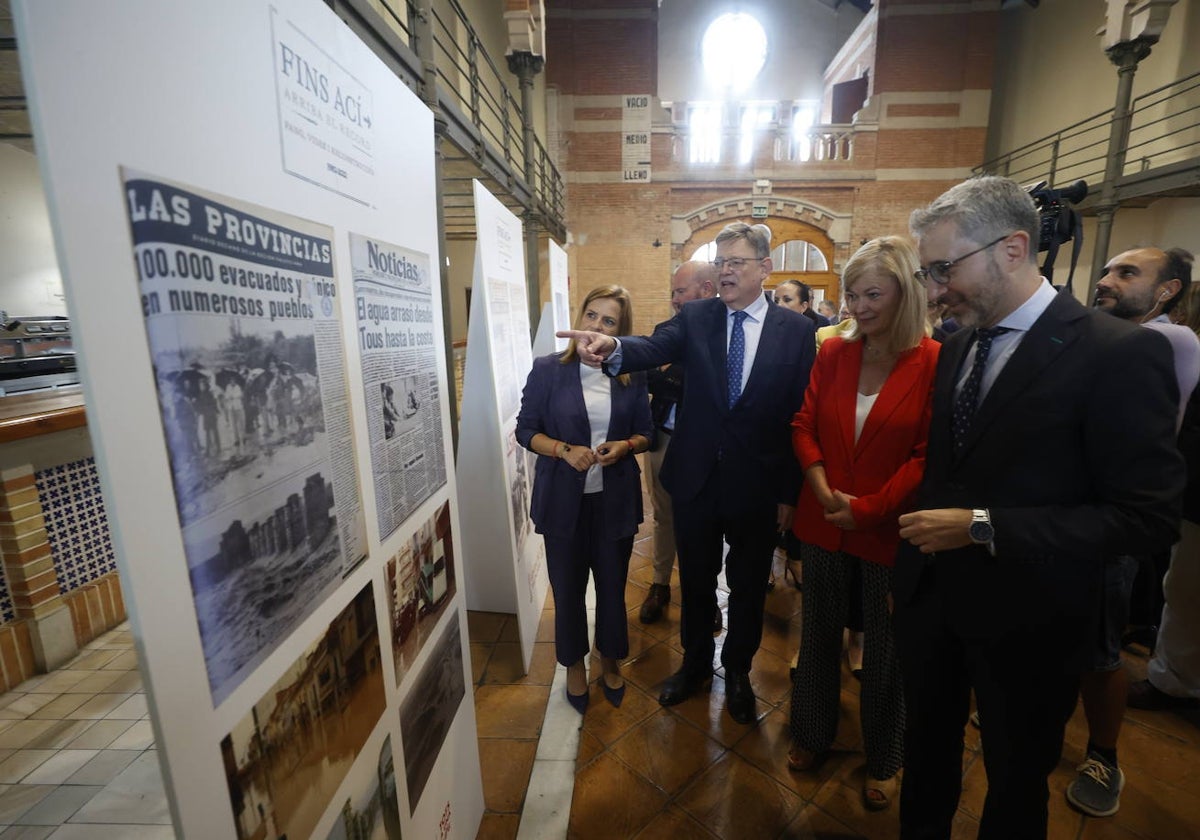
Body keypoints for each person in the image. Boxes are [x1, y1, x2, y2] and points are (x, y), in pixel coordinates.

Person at [894, 175, 1185, 840]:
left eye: (943, 269)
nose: (934, 291)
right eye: (926, 272)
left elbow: (1147, 517)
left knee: (1016, 784)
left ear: (1013, 248)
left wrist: (983, 528)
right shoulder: (960, 346)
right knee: (926, 764)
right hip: (935, 607)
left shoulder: (1118, 352)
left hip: (1034, 622)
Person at [560, 221, 815, 725]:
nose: (724, 271)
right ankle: (695, 665)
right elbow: (653, 347)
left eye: (736, 262)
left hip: (758, 485)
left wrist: (789, 492)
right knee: (696, 581)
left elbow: (797, 414)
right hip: (696, 478)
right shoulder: (698, 316)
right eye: (720, 261)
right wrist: (614, 349)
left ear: (765, 268)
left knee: (745, 587)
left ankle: (738, 672)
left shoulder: (798, 332)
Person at [787, 236, 939, 812]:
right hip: (823, 519)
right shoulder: (834, 353)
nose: (858, 306)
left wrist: (869, 508)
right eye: (852, 294)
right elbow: (803, 424)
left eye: (873, 293)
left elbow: (926, 456)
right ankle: (811, 733)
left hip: (888, 530)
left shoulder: (932, 360)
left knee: (885, 654)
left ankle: (884, 755)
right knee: (819, 637)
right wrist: (822, 486)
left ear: (907, 291)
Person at [1066, 247, 1200, 818]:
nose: (1105, 281)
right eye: (1106, 271)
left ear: (1167, 290)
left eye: (1127, 273)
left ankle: (1103, 754)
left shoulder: (1169, 340)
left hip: (1109, 516)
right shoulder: (1102, 334)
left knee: (1100, 650)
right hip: (1066, 510)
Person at [515, 285, 653, 713]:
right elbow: (525, 430)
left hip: (613, 501)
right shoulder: (548, 369)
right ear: (580, 317)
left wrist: (625, 445)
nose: (596, 326)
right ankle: (573, 663)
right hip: (562, 504)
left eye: (608, 321)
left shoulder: (632, 374)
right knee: (568, 589)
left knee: (613, 588)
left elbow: (647, 433)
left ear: (619, 332)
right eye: (591, 315)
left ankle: (609, 656)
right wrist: (562, 449)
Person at [640, 261, 719, 627]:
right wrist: (673, 375)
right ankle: (659, 584)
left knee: (705, 523)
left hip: (705, 445)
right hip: (664, 439)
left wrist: (673, 375)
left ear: (706, 290)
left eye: (680, 292)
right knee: (663, 515)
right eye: (672, 292)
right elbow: (652, 378)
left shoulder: (724, 332)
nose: (673, 300)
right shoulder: (666, 330)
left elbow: (704, 387)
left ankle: (703, 595)